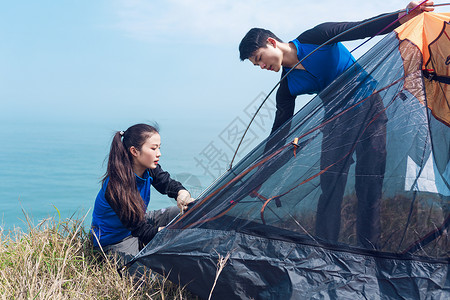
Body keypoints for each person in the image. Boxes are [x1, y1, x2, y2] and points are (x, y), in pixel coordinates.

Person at [239, 2, 434, 248]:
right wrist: (257, 172)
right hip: (335, 123)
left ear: (271, 42)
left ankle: (368, 250)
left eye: (259, 58)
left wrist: (405, 14)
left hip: (370, 109)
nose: (262, 67)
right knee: (330, 188)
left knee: (369, 186)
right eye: (257, 65)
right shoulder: (286, 87)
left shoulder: (315, 37)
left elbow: (362, 29)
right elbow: (279, 133)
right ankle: (325, 250)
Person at [91, 123, 194, 267]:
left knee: (188, 211)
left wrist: (182, 193)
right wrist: (172, 233)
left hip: (139, 220)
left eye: (159, 147)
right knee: (151, 278)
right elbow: (140, 230)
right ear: (134, 151)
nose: (159, 153)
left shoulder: (149, 168)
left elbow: (167, 184)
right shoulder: (116, 186)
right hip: (116, 240)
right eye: (153, 148)